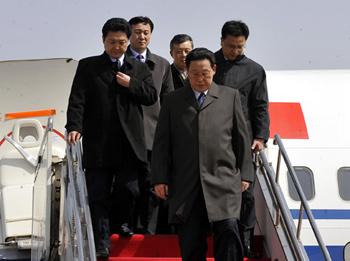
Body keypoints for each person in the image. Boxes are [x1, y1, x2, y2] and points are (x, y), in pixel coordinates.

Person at [65, 17, 157, 259]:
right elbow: (77, 100)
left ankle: (123, 222)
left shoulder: (138, 67)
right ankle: (102, 242)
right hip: (99, 142)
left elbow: (151, 96)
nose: (117, 47)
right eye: (112, 42)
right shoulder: (88, 66)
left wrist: (132, 84)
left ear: (128, 42)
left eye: (122, 42)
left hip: (129, 143)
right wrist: (74, 126)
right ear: (103, 40)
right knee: (98, 194)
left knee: (129, 189)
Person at [151, 47, 254, 261]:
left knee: (229, 228)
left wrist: (245, 174)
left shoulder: (229, 97)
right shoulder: (173, 101)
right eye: (194, 73)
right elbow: (162, 143)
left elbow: (241, 139)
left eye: (205, 73)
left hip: (223, 180)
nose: (200, 78)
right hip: (187, 183)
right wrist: (160, 178)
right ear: (187, 72)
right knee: (191, 241)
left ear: (214, 70)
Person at [213, 20, 270, 257]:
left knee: (246, 192)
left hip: (243, 140)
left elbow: (260, 106)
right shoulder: (209, 63)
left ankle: (244, 237)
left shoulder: (255, 70)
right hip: (213, 139)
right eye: (230, 46)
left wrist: (260, 136)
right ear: (221, 42)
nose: (235, 51)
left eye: (240, 47)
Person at [124, 16, 174, 234]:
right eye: (136, 32)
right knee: (127, 186)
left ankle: (149, 231)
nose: (141, 36)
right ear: (129, 34)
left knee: (152, 185)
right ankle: (127, 225)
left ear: (151, 34)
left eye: (145, 32)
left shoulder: (162, 65)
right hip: (125, 136)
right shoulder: (119, 60)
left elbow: (169, 100)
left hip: (154, 135)